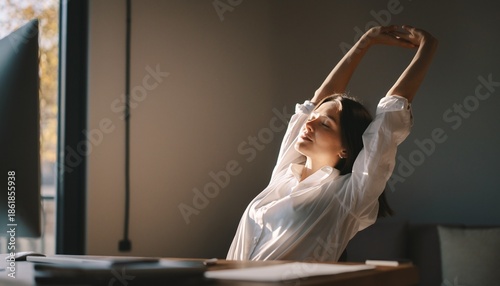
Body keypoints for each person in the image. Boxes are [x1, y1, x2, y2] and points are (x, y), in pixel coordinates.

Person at [226, 25, 438, 262]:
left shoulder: (347, 196)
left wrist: (428, 46)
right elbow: (317, 99)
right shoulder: (283, 175)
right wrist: (363, 43)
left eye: (324, 124)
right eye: (312, 120)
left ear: (345, 147)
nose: (308, 124)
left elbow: (390, 115)